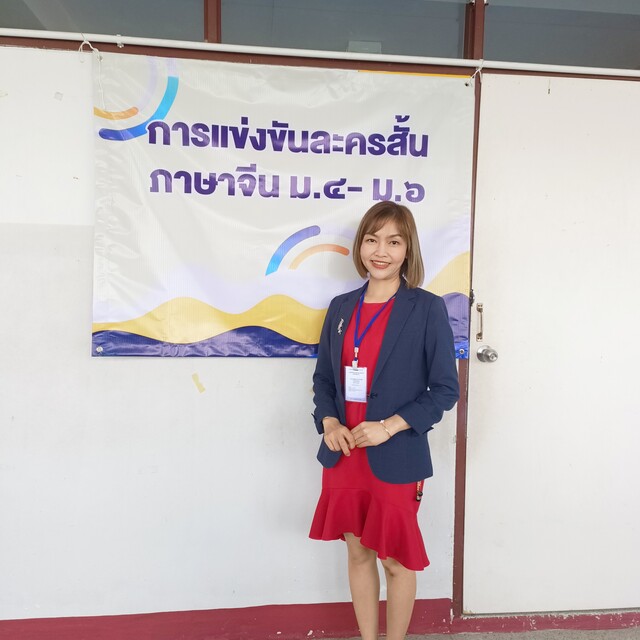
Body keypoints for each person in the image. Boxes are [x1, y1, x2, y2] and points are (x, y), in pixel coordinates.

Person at [309, 201, 459, 640]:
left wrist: (388, 426)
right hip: (345, 454)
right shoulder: (341, 307)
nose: (381, 251)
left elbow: (445, 389)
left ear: (408, 249)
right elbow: (323, 380)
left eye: (394, 242)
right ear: (360, 246)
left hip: (395, 455)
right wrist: (329, 422)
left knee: (394, 559)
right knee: (357, 553)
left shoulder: (426, 308)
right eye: (372, 240)